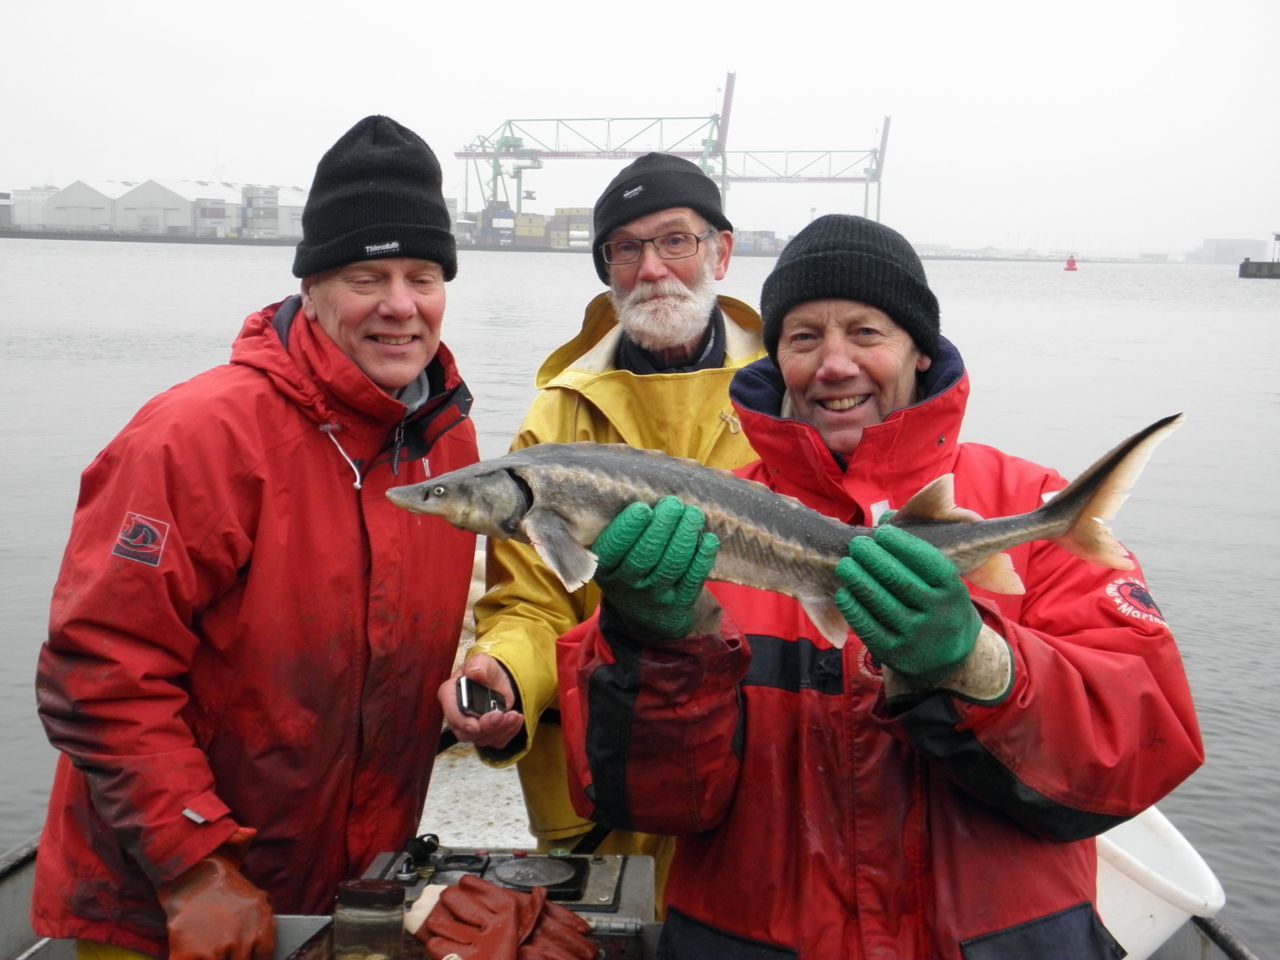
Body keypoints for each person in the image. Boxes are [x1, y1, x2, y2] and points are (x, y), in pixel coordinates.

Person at [557, 214, 1205, 958]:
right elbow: (640, 803)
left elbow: (1140, 755)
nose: (834, 365)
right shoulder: (699, 522)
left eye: (866, 332)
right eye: (804, 337)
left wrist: (981, 668)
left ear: (919, 351)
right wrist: (649, 648)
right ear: (776, 360)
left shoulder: (1028, 499)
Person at [30, 116, 481, 960]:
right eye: (365, 275)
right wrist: (193, 867)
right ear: (309, 288)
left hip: (340, 893)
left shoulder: (445, 445)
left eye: (422, 275)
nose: (400, 305)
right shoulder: (195, 438)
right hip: (162, 906)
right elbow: (97, 667)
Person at [440, 153, 766, 880]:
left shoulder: (788, 390)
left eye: (674, 240)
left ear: (721, 250)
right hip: (600, 792)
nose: (652, 268)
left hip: (758, 777)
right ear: (606, 268)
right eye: (626, 248)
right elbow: (530, 600)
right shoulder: (558, 413)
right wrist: (506, 674)